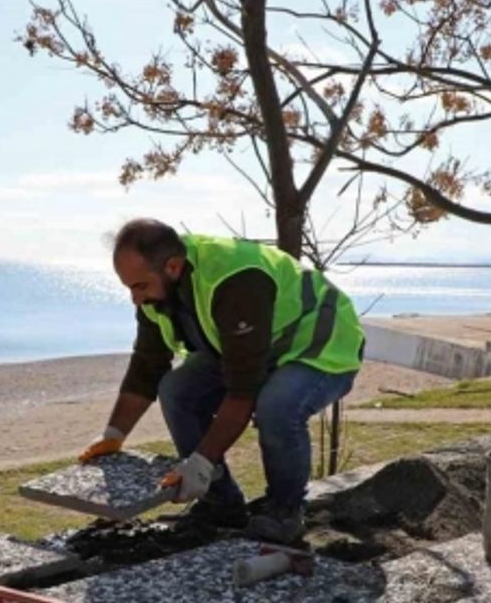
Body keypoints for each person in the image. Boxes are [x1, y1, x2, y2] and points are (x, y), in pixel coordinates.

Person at [79, 218, 364, 544]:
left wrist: (200, 461)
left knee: (277, 407)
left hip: (318, 343)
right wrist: (113, 435)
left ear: (172, 266)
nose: (135, 299)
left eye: (139, 286)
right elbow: (147, 366)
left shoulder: (236, 280)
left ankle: (284, 513)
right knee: (176, 390)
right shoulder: (157, 292)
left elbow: (243, 390)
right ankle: (221, 505)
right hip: (255, 346)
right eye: (129, 287)